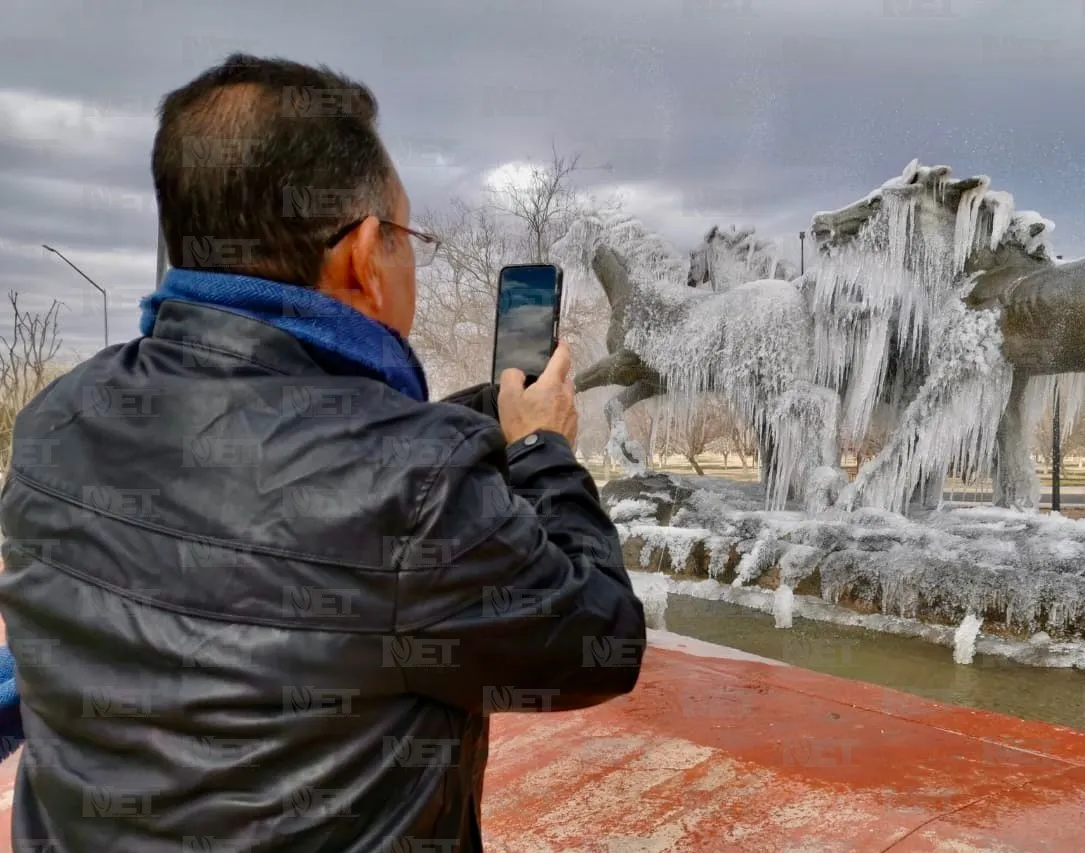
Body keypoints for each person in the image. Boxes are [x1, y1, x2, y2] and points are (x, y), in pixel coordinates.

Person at [0, 54, 646, 852]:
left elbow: (267, 482)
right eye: (411, 238)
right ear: (364, 257)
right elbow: (599, 639)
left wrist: (479, 423)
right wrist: (545, 448)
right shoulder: (419, 487)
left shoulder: (56, 421)